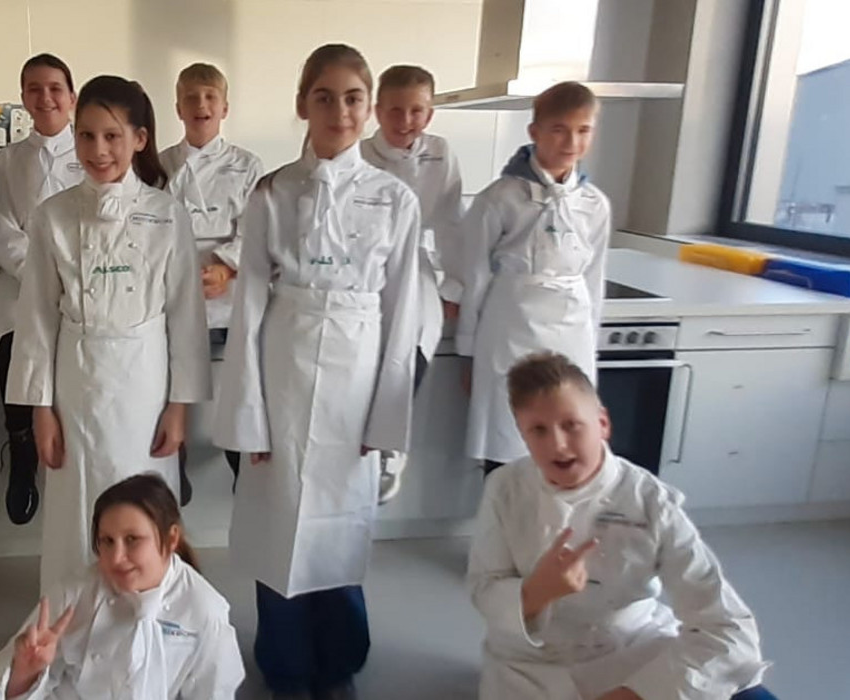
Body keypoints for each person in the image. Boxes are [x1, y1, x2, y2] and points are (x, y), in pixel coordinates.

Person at [212, 43, 423, 700]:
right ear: (303, 104)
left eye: (353, 98)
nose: (340, 111)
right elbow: (248, 305)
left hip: (357, 376)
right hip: (285, 366)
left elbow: (403, 312)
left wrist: (386, 418)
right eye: (324, 97)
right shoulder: (272, 193)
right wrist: (248, 414)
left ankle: (339, 659)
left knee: (341, 525)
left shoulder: (394, 199)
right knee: (280, 522)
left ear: (369, 106)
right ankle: (284, 661)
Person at [467, 351, 775, 700]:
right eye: (538, 430)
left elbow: (728, 628)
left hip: (631, 650)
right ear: (523, 437)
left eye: (571, 425)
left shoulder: (651, 501)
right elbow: (483, 587)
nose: (558, 445)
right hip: (532, 666)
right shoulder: (505, 488)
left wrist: (635, 694)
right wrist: (537, 591)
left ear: (602, 423)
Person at [6, 75, 209, 595]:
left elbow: (185, 316)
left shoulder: (167, 215)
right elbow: (36, 316)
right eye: (87, 136)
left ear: (139, 138)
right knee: (78, 508)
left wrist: (179, 406)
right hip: (75, 382)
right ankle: (75, 623)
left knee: (143, 501)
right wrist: (40, 408)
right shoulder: (53, 216)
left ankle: (149, 617)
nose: (98, 150)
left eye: (112, 136)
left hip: (145, 384)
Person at [454, 81, 611, 473]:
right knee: (510, 436)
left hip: (572, 331)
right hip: (511, 328)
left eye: (583, 130)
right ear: (534, 132)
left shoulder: (594, 205)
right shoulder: (499, 198)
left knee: (568, 439)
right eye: (559, 129)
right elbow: (473, 276)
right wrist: (467, 352)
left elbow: (594, 281)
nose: (571, 142)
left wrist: (592, 347)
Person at [0, 473, 245, 699]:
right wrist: (25, 673)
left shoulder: (206, 610)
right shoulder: (72, 595)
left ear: (171, 538)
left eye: (132, 540)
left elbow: (214, 692)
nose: (116, 558)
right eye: (107, 541)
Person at [158, 61, 265, 501]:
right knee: (165, 389)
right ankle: (172, 467)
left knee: (237, 395)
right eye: (191, 97)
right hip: (175, 294)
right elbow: (152, 228)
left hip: (228, 297)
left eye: (210, 97)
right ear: (178, 108)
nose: (200, 104)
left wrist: (225, 266)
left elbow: (256, 230)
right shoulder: (161, 164)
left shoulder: (248, 166)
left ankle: (245, 474)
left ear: (224, 107)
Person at [359, 64, 463, 504]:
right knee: (367, 354)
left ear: (430, 113)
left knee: (414, 341)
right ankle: (366, 446)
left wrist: (454, 286)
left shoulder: (440, 153)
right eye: (395, 111)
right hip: (365, 268)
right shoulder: (360, 153)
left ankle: (391, 450)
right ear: (377, 111)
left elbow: (452, 224)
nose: (405, 121)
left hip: (417, 266)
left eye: (416, 111)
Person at [0, 54, 85, 526]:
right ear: (23, 97)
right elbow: (2, 228)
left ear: (72, 96)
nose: (45, 97)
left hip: (79, 280)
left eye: (54, 88)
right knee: (13, 345)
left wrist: (65, 275)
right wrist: (36, 272)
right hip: (21, 280)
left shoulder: (90, 152)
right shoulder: (6, 160)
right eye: (34, 88)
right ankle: (21, 449)